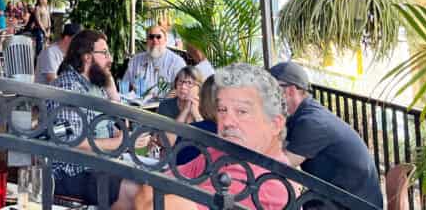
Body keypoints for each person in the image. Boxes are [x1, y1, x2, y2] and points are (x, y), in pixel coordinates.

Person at [132, 63, 292, 210]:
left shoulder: (272, 185)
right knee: (127, 189)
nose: (227, 121)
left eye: (242, 112)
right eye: (222, 110)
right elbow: (152, 184)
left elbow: (156, 203)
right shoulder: (223, 152)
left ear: (275, 125)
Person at [270, 61, 383, 208]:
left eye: (270, 90)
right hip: (342, 198)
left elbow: (280, 166)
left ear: (290, 91)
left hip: (352, 204)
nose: (265, 96)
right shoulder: (304, 113)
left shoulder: (311, 122)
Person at [48, 30, 140, 206]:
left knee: (149, 183)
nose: (110, 58)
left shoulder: (96, 86)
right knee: (135, 191)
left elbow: (122, 128)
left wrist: (113, 93)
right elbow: (71, 142)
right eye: (104, 53)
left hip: (100, 165)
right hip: (74, 172)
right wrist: (121, 143)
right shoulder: (68, 87)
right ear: (87, 57)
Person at [122, 24, 185, 97]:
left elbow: (182, 89)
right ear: (147, 40)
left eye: (158, 37)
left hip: (164, 106)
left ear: (165, 40)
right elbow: (125, 84)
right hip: (137, 105)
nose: (154, 40)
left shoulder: (176, 62)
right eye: (151, 37)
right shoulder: (135, 60)